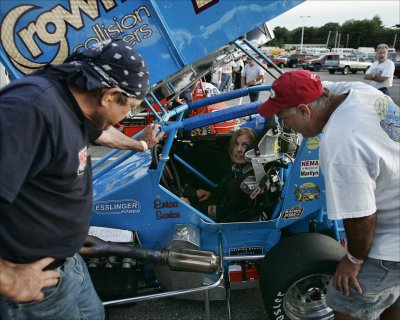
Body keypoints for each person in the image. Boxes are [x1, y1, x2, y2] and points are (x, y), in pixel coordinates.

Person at [0, 38, 162, 319]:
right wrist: (7, 278)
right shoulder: (29, 111)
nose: (129, 116)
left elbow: (102, 132)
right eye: (130, 107)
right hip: (35, 284)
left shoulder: (74, 103)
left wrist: (142, 145)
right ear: (109, 95)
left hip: (69, 264)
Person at [258, 70, 400, 320]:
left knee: (345, 299)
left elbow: (361, 217)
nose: (285, 125)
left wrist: (353, 260)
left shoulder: (340, 143)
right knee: (392, 295)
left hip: (392, 241)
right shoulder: (359, 91)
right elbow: (319, 85)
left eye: (283, 117)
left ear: (304, 111)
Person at [181, 127, 265, 222]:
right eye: (236, 144)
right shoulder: (241, 169)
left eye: (245, 145)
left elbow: (226, 213)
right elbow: (226, 193)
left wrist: (191, 207)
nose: (238, 149)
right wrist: (210, 193)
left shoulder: (247, 180)